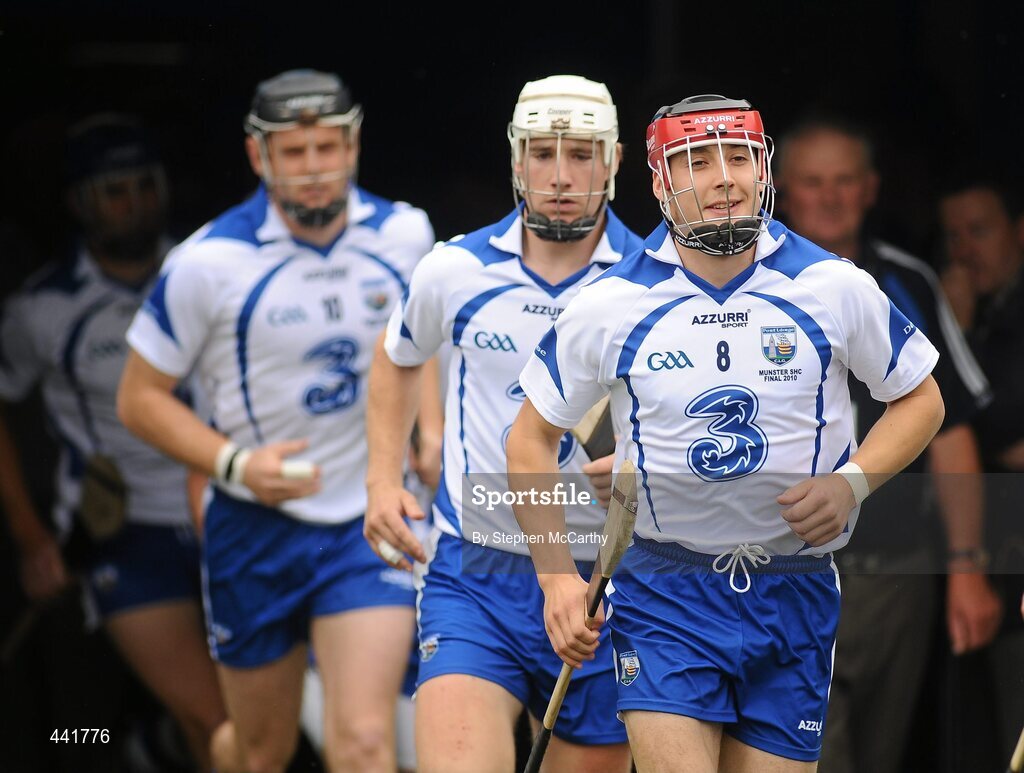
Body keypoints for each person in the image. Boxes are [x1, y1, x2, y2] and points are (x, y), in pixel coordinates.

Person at [507, 94, 946, 773]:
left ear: (762, 168)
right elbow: (529, 437)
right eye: (697, 161)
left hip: (794, 588)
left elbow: (921, 397)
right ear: (659, 182)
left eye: (739, 157)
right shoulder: (610, 304)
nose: (723, 178)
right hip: (664, 590)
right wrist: (557, 579)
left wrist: (851, 483)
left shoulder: (832, 285)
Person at [117, 69, 436, 773]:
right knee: (262, 751)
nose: (315, 169)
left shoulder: (406, 233)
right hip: (253, 525)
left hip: (365, 519)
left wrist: (430, 432)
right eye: (294, 153)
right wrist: (234, 464)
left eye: (327, 147)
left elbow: (424, 343)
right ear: (259, 157)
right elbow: (137, 398)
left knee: (361, 740)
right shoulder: (207, 261)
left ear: (353, 145)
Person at [365, 74, 639, 773]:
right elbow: (398, 355)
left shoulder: (653, 280)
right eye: (541, 153)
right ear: (515, 160)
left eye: (581, 154)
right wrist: (380, 478)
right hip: (472, 568)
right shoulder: (452, 269)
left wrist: (644, 465)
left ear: (614, 160)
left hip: (610, 581)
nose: (559, 175)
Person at [774, 117, 1002, 773]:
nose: (830, 196)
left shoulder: (907, 281)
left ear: (872, 188)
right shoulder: (744, 283)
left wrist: (965, 565)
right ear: (783, 191)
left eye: (845, 180)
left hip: (896, 579)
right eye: (813, 182)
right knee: (816, 753)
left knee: (883, 754)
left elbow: (951, 427)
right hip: (784, 571)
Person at [0, 115, 226, 769]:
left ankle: (151, 746)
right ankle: (128, 743)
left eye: (144, 185)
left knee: (257, 719)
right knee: (211, 726)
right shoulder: (42, 308)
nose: (134, 203)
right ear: (79, 202)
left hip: (227, 514)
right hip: (122, 533)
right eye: (114, 189)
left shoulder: (211, 271)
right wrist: (29, 534)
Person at [938, 179, 1024, 764]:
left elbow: (1005, 435)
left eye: (980, 230)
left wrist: (957, 332)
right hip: (975, 560)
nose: (965, 250)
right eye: (953, 236)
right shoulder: (981, 313)